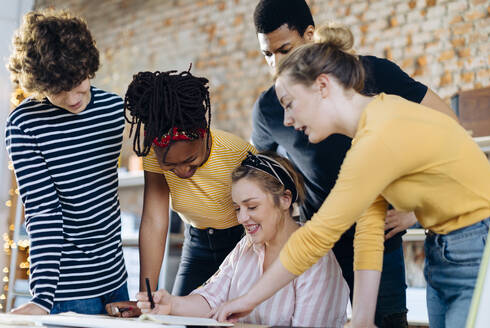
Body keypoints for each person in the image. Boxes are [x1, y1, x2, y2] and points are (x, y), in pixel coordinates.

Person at [212, 24, 490, 328]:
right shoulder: (370, 130)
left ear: (322, 86)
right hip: (445, 250)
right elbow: (368, 228)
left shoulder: (378, 138)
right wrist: (361, 318)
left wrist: (246, 301)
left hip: (476, 248)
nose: (288, 120)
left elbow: (318, 235)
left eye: (290, 104)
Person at [250, 1, 458, 326]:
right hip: (321, 242)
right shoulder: (268, 108)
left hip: (379, 233)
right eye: (267, 54)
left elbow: (449, 128)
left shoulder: (372, 78)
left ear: (309, 35)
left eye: (284, 49)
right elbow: (265, 178)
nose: (275, 63)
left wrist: (416, 209)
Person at [5, 11, 128, 314]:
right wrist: (43, 298)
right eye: (58, 91)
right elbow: (43, 211)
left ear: (88, 66)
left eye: (78, 83)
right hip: (65, 289)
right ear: (38, 84)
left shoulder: (115, 110)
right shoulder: (24, 124)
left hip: (116, 279)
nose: (73, 98)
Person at [136, 152, 349, 327]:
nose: (242, 218)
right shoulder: (246, 246)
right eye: (238, 208)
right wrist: (171, 305)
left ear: (285, 199)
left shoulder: (317, 259)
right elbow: (211, 299)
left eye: (252, 206)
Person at [106, 69, 256, 317]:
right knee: (173, 318)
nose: (183, 171)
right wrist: (146, 300)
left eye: (191, 160)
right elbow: (154, 221)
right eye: (171, 167)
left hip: (243, 245)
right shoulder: (154, 156)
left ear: (204, 133)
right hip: (197, 245)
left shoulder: (238, 154)